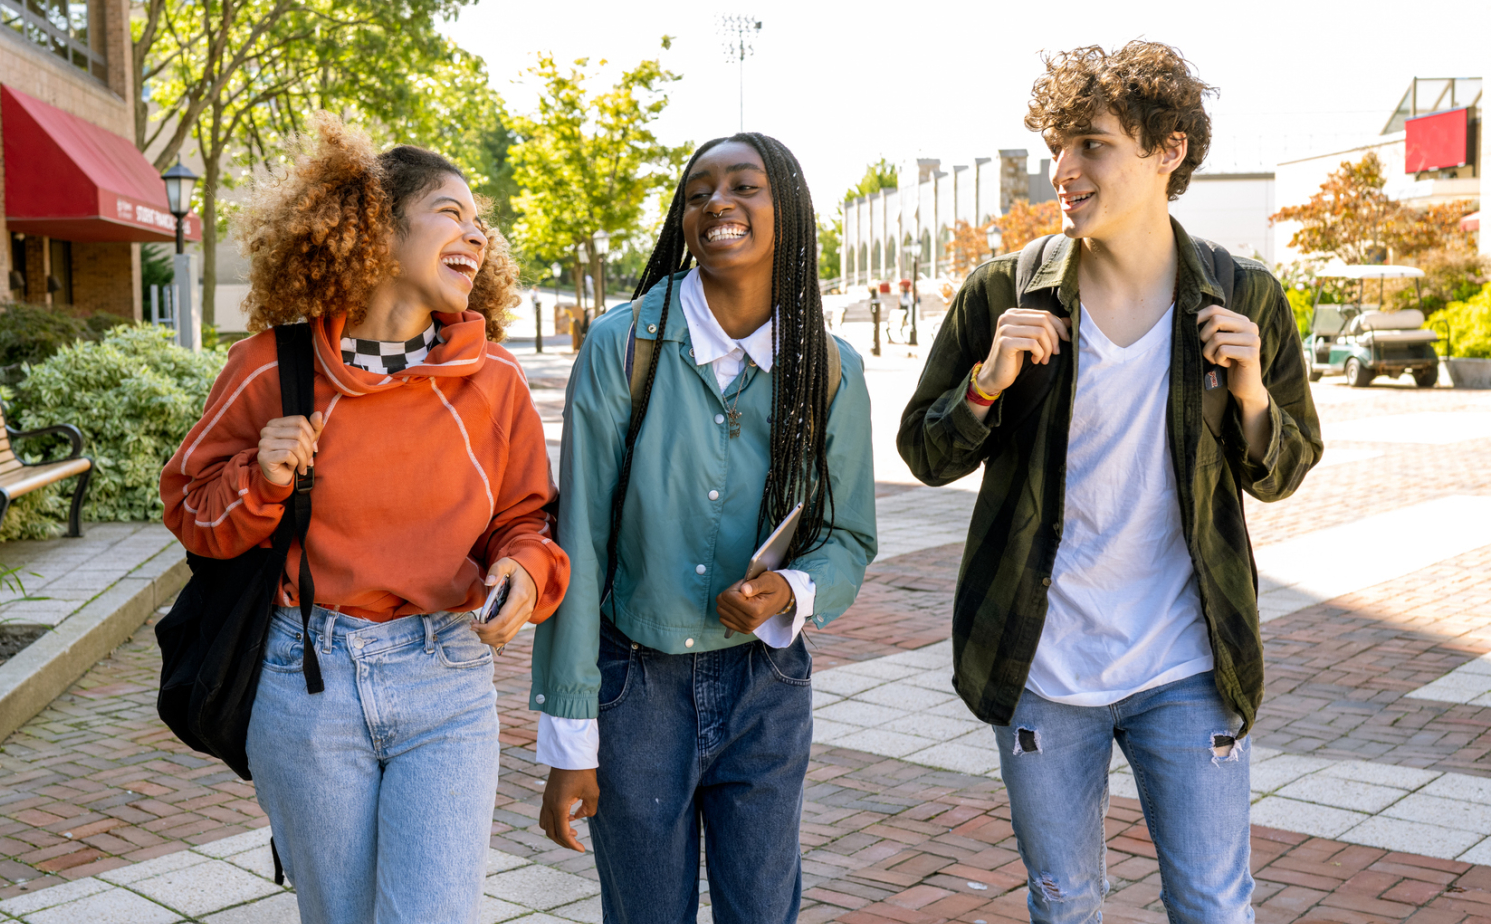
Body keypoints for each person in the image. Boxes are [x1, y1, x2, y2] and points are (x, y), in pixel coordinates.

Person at [897, 42, 1321, 924]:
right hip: (1042, 664)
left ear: (1169, 150)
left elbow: (1284, 471)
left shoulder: (1244, 297)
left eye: (1091, 144)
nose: (1064, 168)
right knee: (1064, 903)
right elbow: (926, 454)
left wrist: (1250, 395)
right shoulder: (1006, 291)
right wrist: (986, 383)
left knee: (1212, 904)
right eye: (1058, 146)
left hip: (1188, 663)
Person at [160, 114, 570, 924]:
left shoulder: (493, 378)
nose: (477, 234)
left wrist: (524, 572)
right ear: (376, 228)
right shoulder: (267, 367)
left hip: (446, 677)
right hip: (303, 679)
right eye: (451, 212)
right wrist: (260, 477)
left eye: (480, 223)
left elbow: (530, 520)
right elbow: (191, 510)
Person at [531, 132, 879, 924]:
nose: (717, 202)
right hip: (634, 689)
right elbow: (578, 544)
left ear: (789, 211)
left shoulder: (829, 368)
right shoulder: (622, 347)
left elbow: (849, 536)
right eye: (698, 193)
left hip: (767, 687)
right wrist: (570, 739)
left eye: (744, 186)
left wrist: (790, 589)